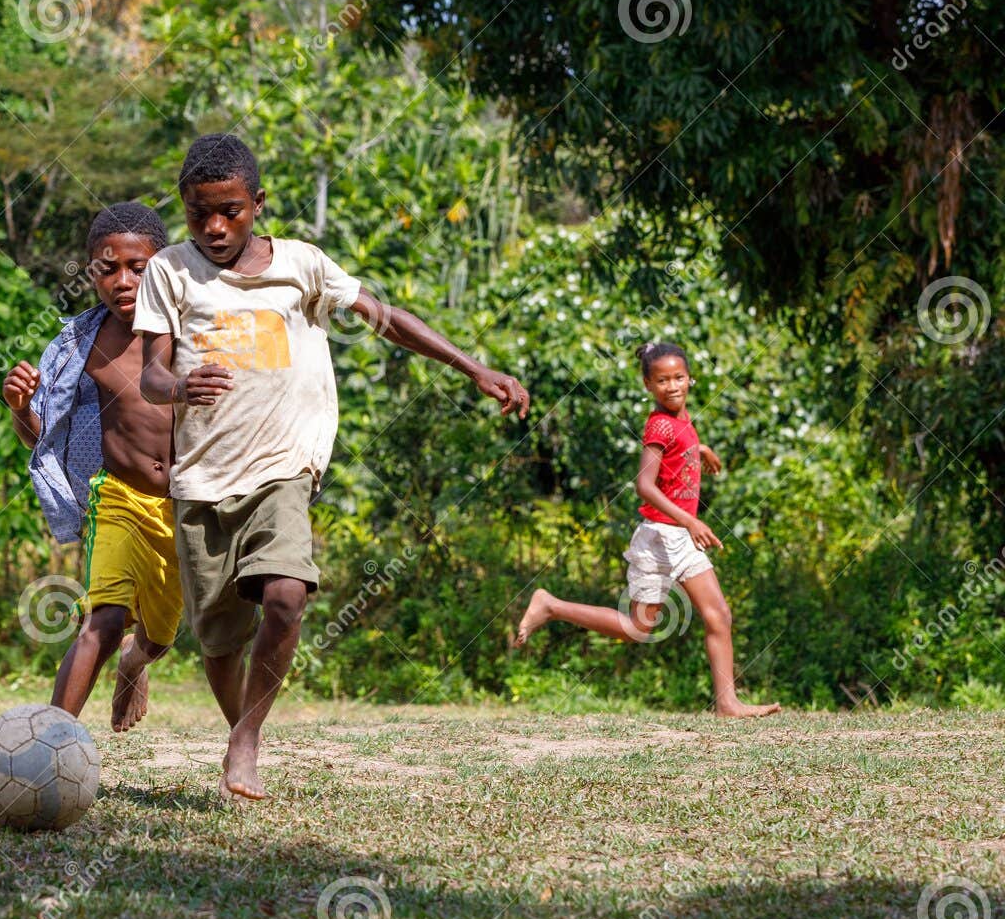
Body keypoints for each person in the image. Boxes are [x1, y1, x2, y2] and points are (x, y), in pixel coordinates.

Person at [133, 132, 530, 799]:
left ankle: (247, 741)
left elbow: (386, 318)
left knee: (287, 596)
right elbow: (149, 375)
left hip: (285, 465)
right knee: (220, 644)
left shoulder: (304, 264)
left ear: (258, 203)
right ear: (184, 207)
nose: (215, 225)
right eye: (200, 212)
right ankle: (242, 727)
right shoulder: (170, 270)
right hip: (202, 477)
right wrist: (181, 386)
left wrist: (474, 366)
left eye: (230, 209)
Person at [515, 340, 781, 718]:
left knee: (718, 615)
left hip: (679, 538)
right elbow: (645, 485)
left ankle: (727, 704)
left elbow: (681, 442)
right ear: (647, 385)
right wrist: (690, 519)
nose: (672, 386)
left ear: (691, 379)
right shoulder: (658, 424)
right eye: (662, 381)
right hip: (660, 536)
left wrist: (699, 450)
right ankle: (551, 606)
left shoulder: (682, 419)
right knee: (636, 629)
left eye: (678, 378)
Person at [3, 202, 181, 732]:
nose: (122, 281)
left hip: (188, 500)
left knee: (161, 633)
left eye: (138, 268)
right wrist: (20, 408)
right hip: (119, 496)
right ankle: (51, 743)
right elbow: (45, 440)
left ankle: (135, 662)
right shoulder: (79, 347)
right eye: (107, 269)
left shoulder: (192, 330)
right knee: (100, 619)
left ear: (164, 266)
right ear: (90, 274)